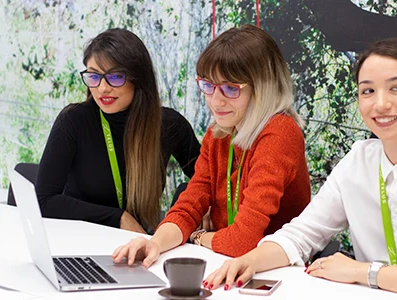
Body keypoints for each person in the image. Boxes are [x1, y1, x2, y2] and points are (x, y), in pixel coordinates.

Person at [204, 38, 397, 299]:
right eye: (368, 91)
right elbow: (301, 234)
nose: (381, 104)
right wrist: (250, 261)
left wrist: (363, 272)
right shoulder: (358, 161)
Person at [112, 24, 311, 266]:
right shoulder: (219, 133)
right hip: (224, 262)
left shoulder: (280, 133)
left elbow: (242, 242)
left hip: (273, 271)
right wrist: (155, 243)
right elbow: (189, 205)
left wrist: (196, 236)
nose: (215, 100)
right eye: (208, 85)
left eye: (230, 88)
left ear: (263, 88)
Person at [35, 28, 200, 234]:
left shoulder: (169, 124)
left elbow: (209, 181)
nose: (103, 88)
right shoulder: (74, 120)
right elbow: (43, 200)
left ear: (137, 78)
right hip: (80, 241)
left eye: (115, 76)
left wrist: (202, 208)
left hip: (138, 248)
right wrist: (118, 218)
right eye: (94, 76)